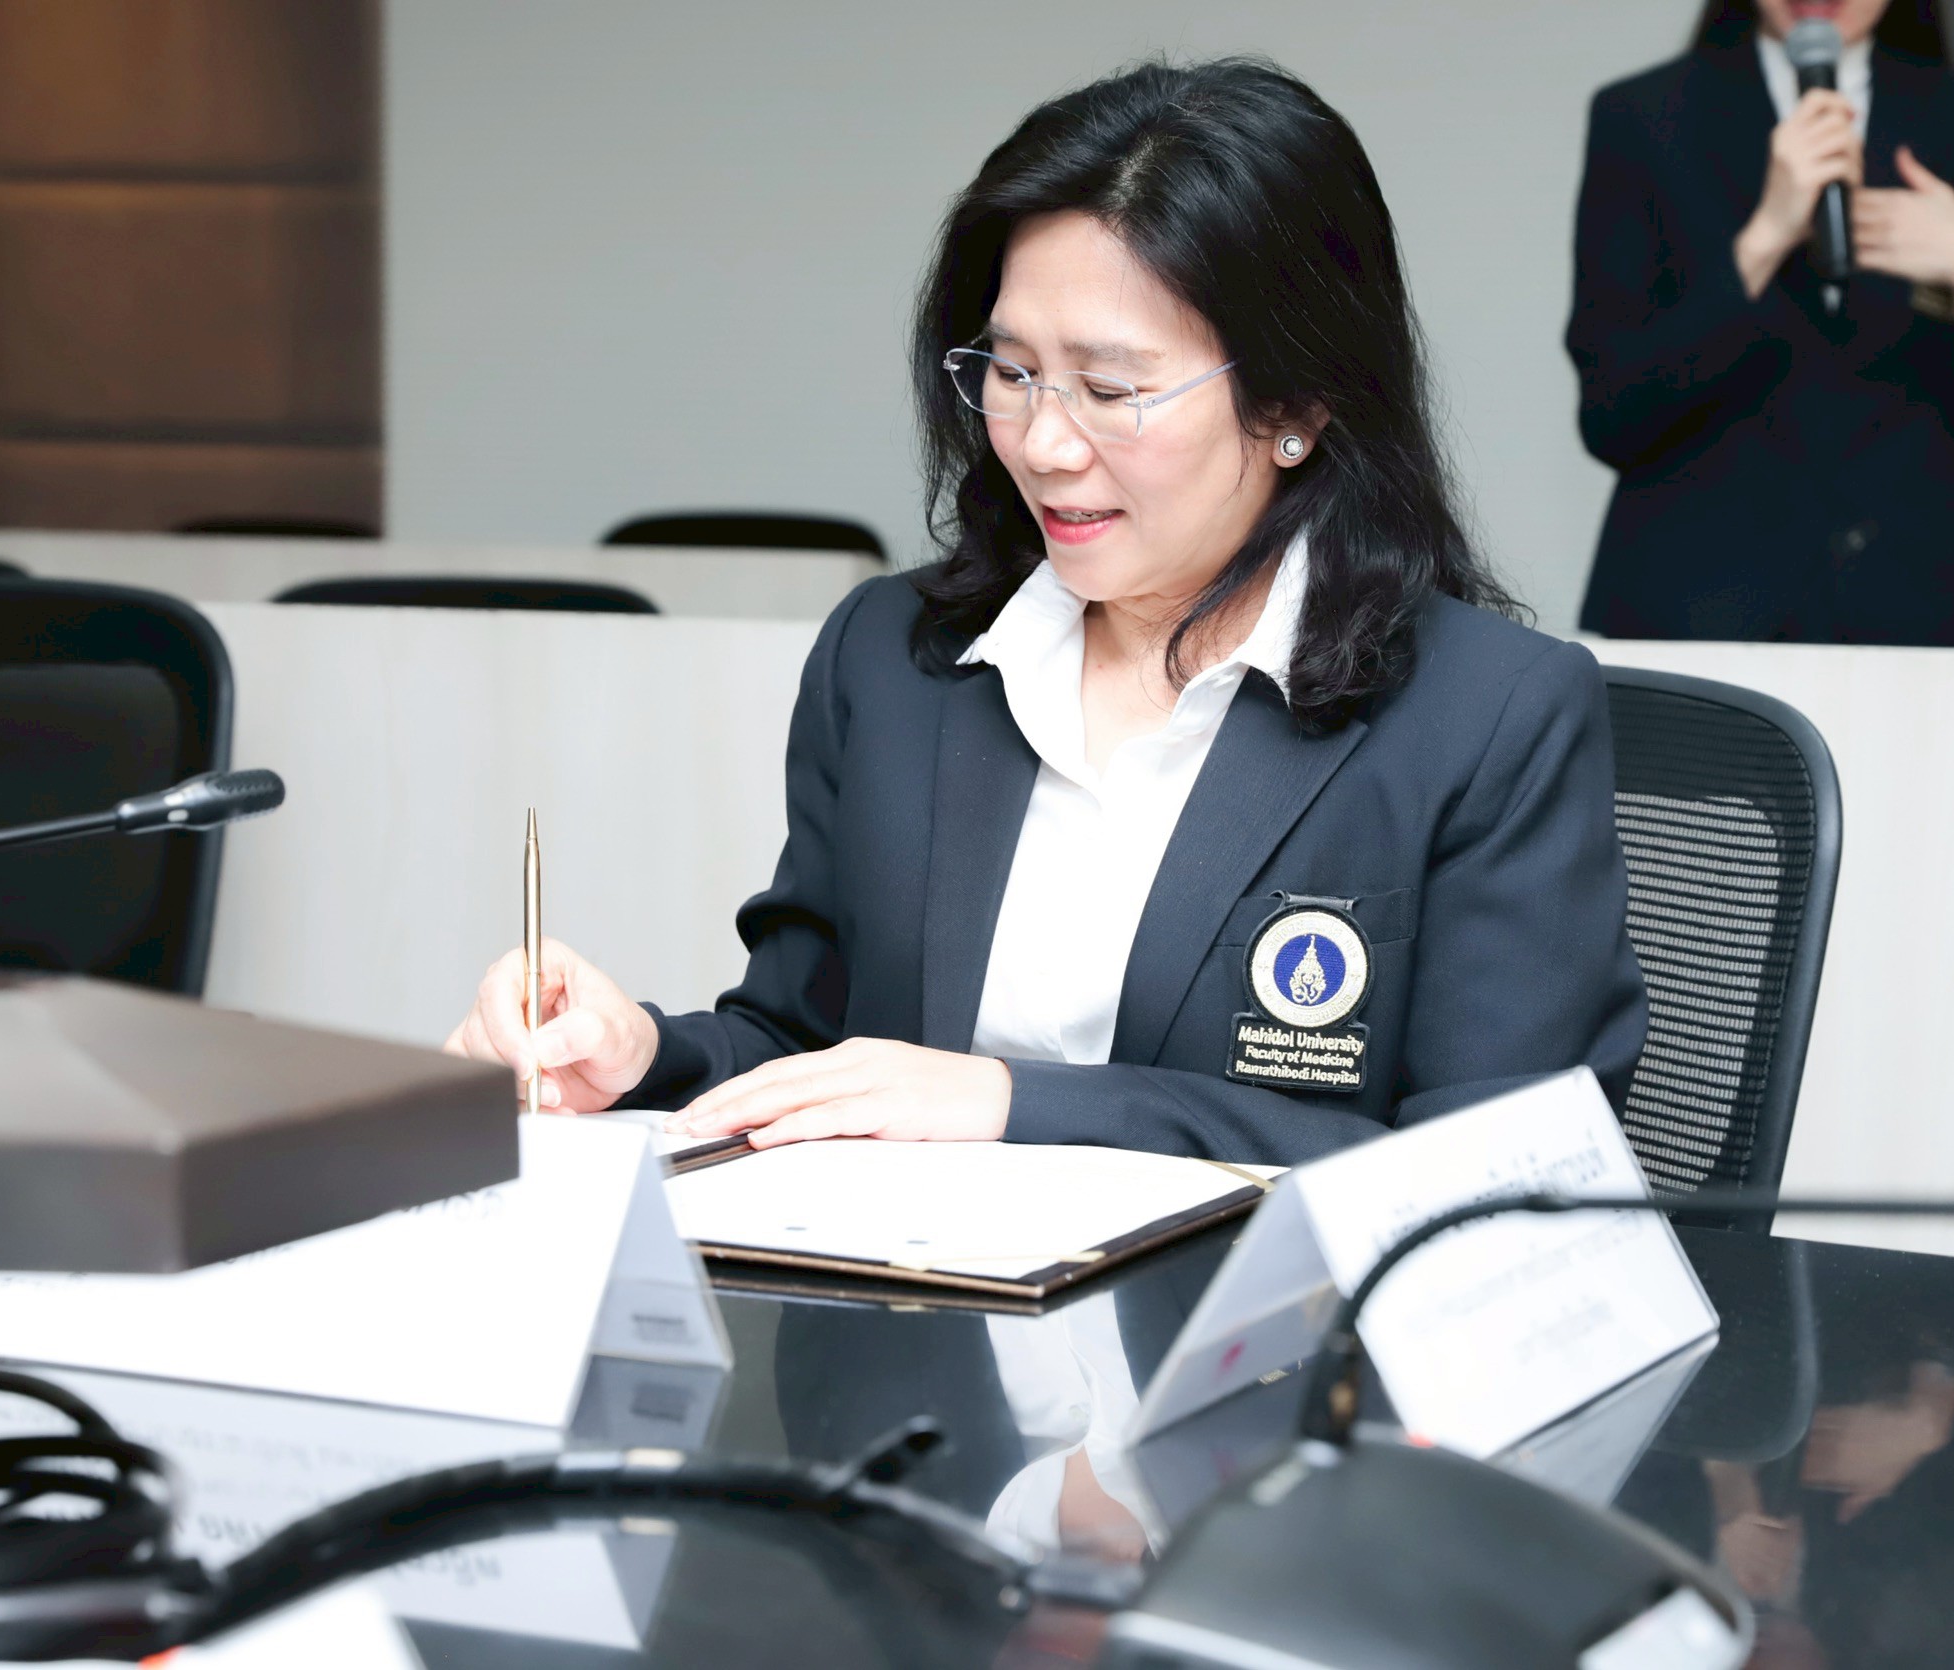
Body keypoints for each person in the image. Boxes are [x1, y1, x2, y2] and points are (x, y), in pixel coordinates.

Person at [446, 58, 1646, 1165]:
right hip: (911, 1314)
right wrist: (640, 1057)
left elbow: (1495, 1172)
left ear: (1295, 405)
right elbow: (811, 1045)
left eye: (1110, 388)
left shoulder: (1484, 717)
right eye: (1011, 374)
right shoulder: (896, 660)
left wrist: (1013, 1103)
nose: (1043, 444)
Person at [1569, 0, 1954, 645]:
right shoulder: (1643, 115)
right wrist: (1765, 237)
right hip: (1696, 607)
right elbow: (1611, 413)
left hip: (1912, 612)